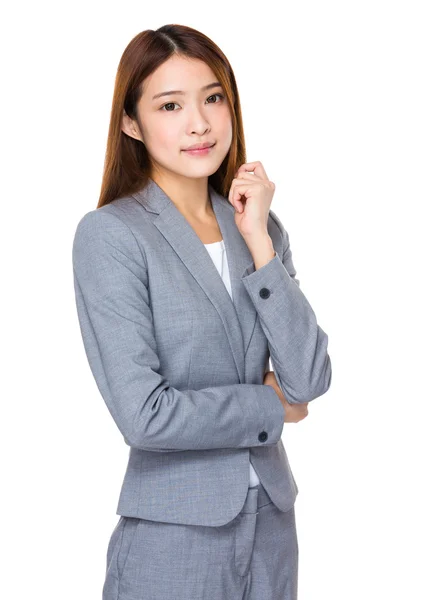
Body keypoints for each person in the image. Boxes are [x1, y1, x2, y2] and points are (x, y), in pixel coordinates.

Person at [72, 23, 332, 600]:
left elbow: (309, 379)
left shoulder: (261, 231)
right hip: (173, 538)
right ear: (131, 123)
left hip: (271, 529)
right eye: (171, 105)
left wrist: (260, 240)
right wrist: (270, 404)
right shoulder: (111, 236)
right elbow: (145, 415)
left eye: (213, 98)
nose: (200, 123)